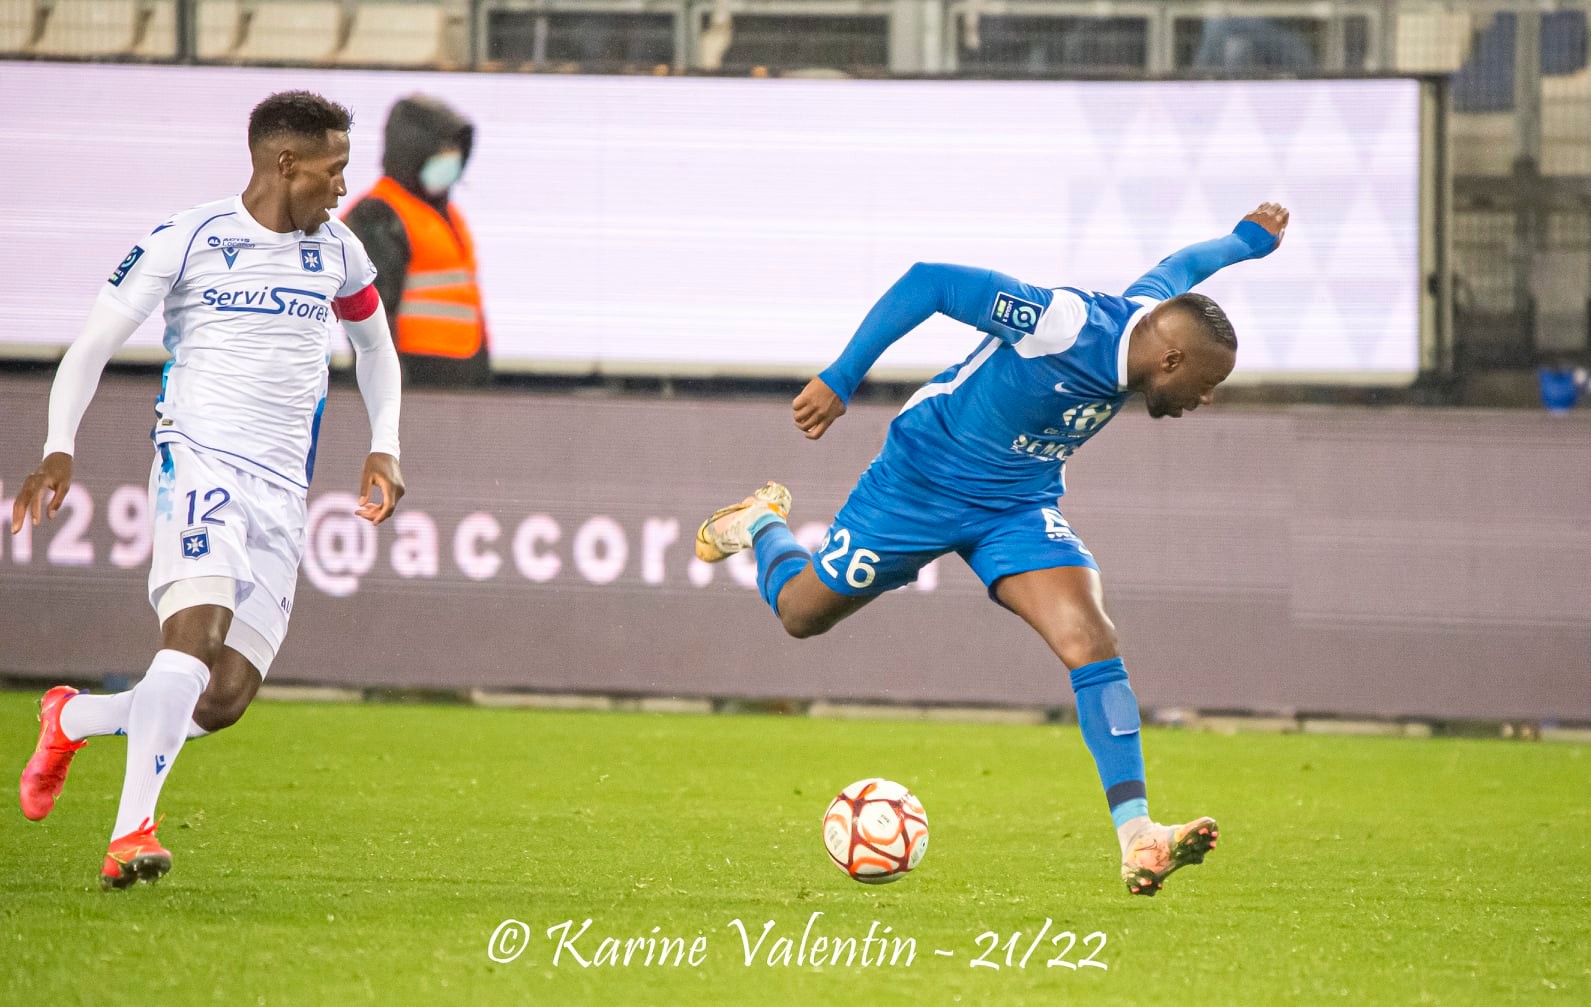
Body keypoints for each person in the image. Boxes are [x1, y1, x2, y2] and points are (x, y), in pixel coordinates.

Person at [696, 203, 1289, 896]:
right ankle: (764, 521)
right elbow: (931, 282)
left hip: (1016, 505)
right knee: (801, 612)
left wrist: (1247, 242)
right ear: (1171, 357)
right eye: (1205, 384)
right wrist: (842, 375)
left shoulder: (1151, 315)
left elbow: (1185, 267)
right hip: (917, 485)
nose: (1205, 399)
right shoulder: (1059, 322)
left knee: (1090, 637)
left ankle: (1139, 836)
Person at [12, 91, 405, 890]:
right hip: (198, 461)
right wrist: (59, 446)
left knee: (221, 697)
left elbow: (376, 346)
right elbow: (91, 345)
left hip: (280, 491)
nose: (341, 188)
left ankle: (72, 716)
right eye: (332, 170)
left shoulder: (338, 250)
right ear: (284, 162)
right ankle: (132, 834)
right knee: (190, 637)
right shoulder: (190, 238)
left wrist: (385, 445)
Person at [343, 95, 490, 387]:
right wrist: (391, 383)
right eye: (443, 150)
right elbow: (372, 312)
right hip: (417, 381)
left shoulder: (445, 213)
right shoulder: (379, 214)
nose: (453, 159)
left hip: (459, 383)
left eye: (456, 149)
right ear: (414, 152)